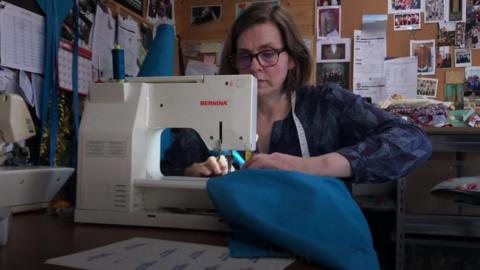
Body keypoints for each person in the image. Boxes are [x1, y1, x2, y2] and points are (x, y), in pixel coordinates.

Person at [161, 3, 432, 183]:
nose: (254, 66)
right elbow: (165, 171)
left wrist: (315, 166)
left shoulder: (326, 104)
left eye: (268, 54)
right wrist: (191, 173)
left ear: (292, 58)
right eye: (244, 56)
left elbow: (413, 141)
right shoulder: (215, 111)